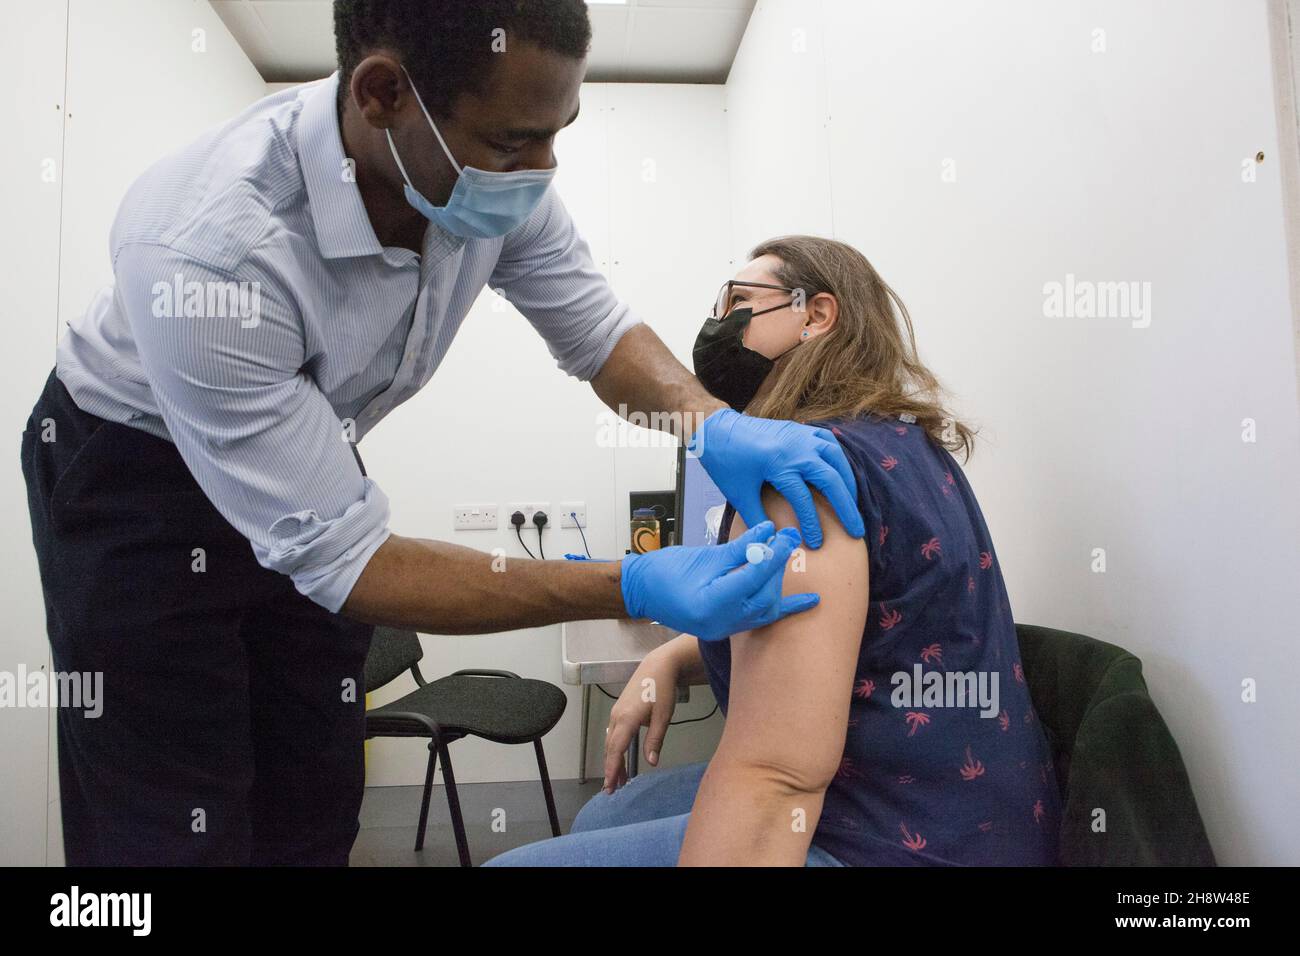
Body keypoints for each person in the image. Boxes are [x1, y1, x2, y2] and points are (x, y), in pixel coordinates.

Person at [20, 3, 864, 866]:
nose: (540, 170)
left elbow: (597, 334)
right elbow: (349, 563)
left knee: (313, 785)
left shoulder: (491, 182)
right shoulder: (208, 246)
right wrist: (632, 584)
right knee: (169, 818)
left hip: (304, 435)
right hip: (133, 468)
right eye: (510, 143)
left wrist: (714, 428)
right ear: (384, 93)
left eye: (557, 133)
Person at [484, 236, 1061, 866]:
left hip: (895, 837)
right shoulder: (907, 444)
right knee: (607, 812)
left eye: (738, 299)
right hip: (984, 814)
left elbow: (778, 776)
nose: (717, 324)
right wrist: (675, 658)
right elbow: (847, 631)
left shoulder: (799, 474)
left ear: (815, 315)